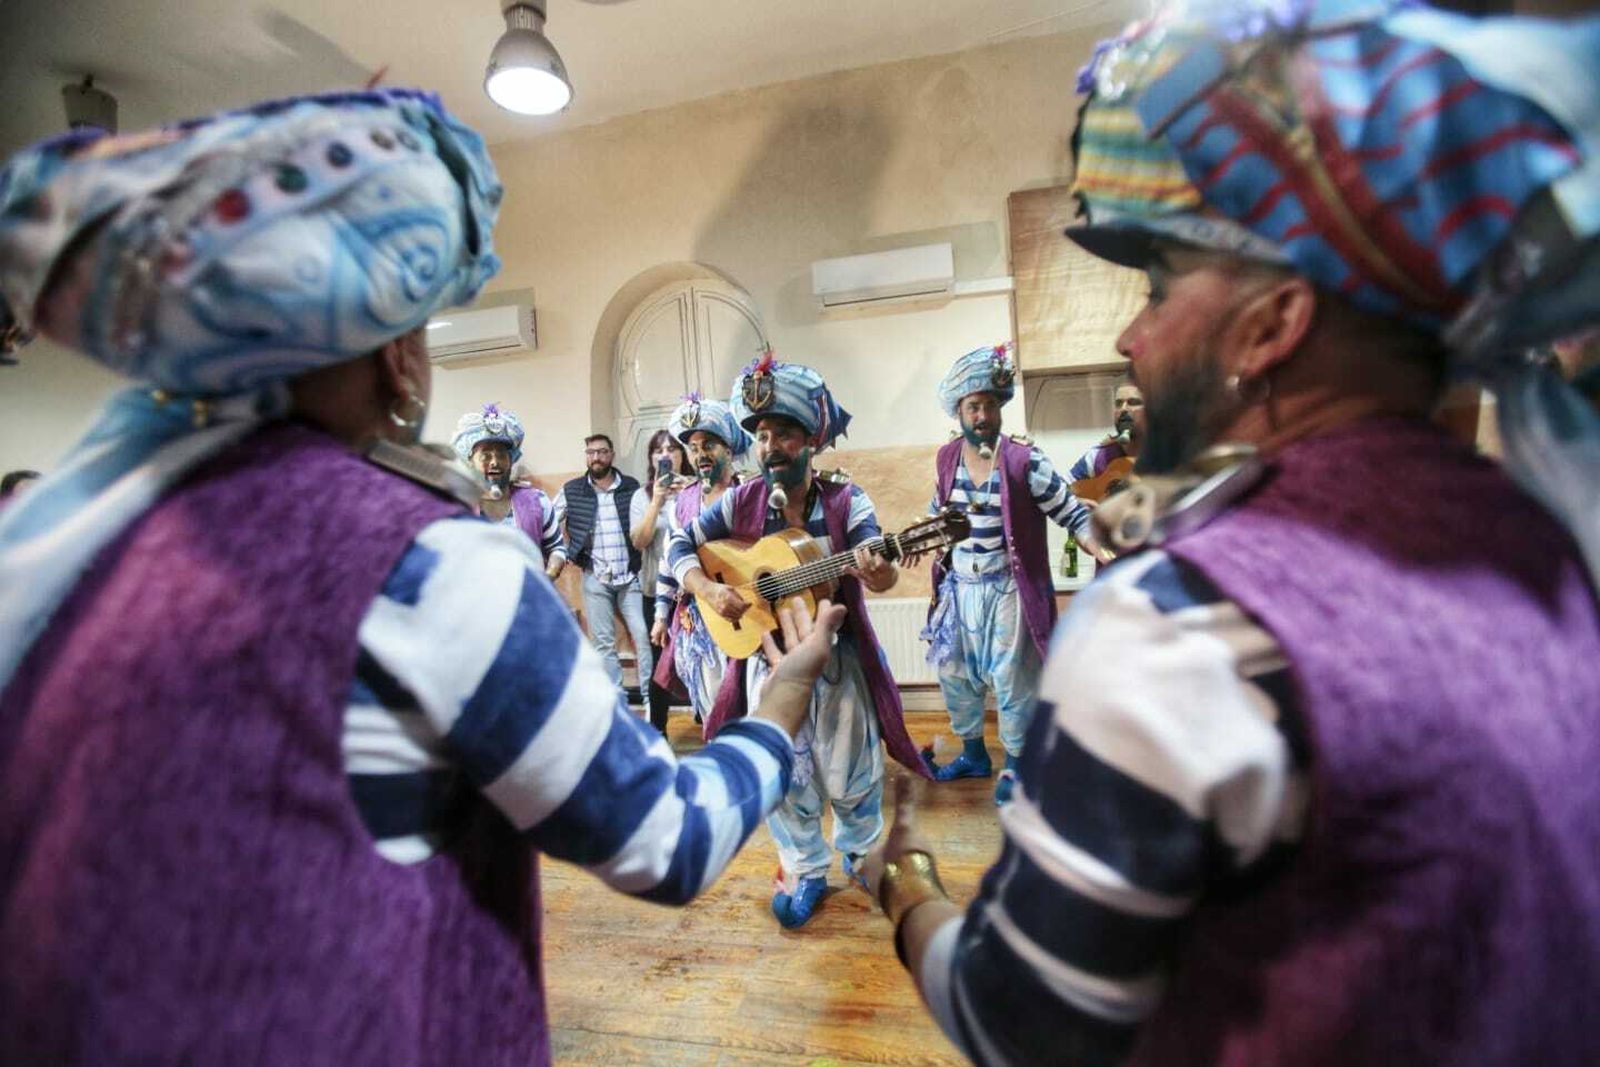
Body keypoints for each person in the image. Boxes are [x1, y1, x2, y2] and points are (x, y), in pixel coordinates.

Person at [0, 89, 842, 1065]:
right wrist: (778, 706)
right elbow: (665, 840)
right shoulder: (427, 560)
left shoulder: (34, 534)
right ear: (399, 355)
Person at [864, 3, 1600, 1064]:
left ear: (1270, 326)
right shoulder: (1544, 550)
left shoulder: (1181, 627)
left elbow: (1019, 1022)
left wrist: (911, 891)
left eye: (1160, 285)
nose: (1132, 332)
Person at [667, 352, 933, 929]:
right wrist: (706, 592)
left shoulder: (846, 500)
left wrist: (877, 567)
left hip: (836, 662)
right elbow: (678, 547)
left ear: (811, 440)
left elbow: (882, 573)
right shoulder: (738, 501)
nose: (770, 447)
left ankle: (863, 856)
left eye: (784, 433)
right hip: (768, 663)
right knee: (785, 776)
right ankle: (805, 867)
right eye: (761, 435)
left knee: (852, 768)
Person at [920, 343, 1089, 804]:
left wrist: (1108, 547)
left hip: (1007, 587)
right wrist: (919, 542)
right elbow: (937, 515)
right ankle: (975, 754)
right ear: (959, 411)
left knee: (1013, 679)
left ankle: (1015, 766)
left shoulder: (1024, 460)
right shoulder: (946, 458)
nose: (982, 416)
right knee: (955, 675)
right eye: (973, 407)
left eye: (990, 405)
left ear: (1000, 408)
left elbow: (1073, 513)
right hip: (959, 587)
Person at [648, 393, 749, 733]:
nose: (700, 454)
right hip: (698, 623)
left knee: (749, 703)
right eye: (692, 447)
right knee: (711, 703)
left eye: (708, 445)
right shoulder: (684, 500)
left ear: (728, 449)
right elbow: (668, 561)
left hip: (747, 613)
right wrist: (662, 615)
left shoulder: (747, 492)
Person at [548, 433, 653, 706]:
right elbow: (548, 521)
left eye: (602, 451)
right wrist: (568, 550)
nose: (596, 457)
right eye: (591, 452)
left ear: (612, 455)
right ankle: (616, 702)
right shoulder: (572, 490)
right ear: (586, 456)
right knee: (604, 643)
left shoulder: (631, 486)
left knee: (643, 635)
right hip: (595, 577)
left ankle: (650, 696)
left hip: (630, 575)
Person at [630, 426, 694, 732]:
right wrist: (656, 501)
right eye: (659, 450)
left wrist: (688, 498)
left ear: (683, 455)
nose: (665, 455)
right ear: (652, 458)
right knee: (659, 664)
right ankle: (658, 731)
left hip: (693, 590)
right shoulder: (640, 497)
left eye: (672, 449)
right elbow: (639, 542)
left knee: (698, 657)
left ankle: (705, 718)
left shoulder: (697, 490)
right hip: (653, 592)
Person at [451, 403, 562, 568]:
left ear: (511, 460)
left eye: (502, 455)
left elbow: (557, 548)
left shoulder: (537, 501)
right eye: (485, 456)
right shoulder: (456, 507)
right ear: (471, 462)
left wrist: (549, 575)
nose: (495, 462)